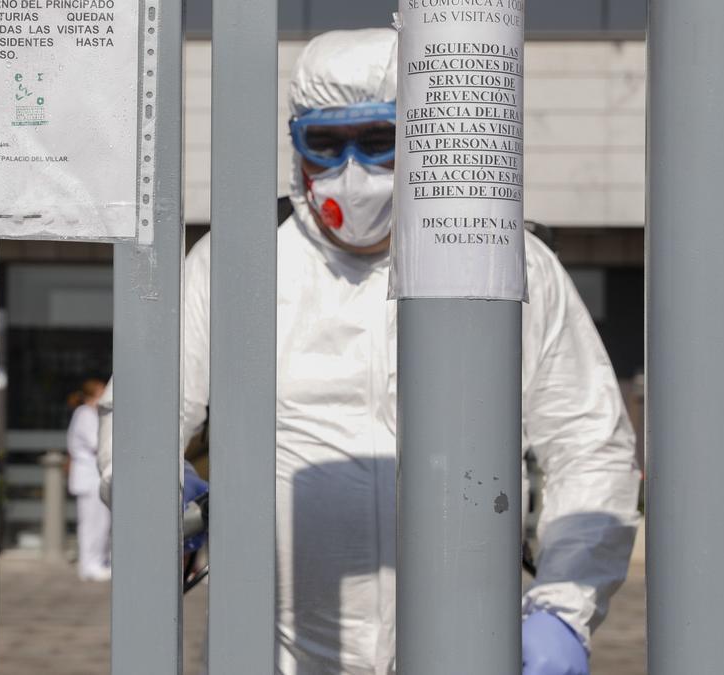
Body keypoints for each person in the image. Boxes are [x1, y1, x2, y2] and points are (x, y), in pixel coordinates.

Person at [101, 28, 641, 675]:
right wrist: (153, 485)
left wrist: (563, 607)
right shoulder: (236, 264)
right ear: (295, 143)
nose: (350, 174)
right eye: (326, 144)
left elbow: (588, 442)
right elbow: (139, 415)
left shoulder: (510, 263)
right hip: (279, 652)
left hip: (463, 647)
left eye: (379, 142)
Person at [66, 378, 111, 582]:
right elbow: (96, 442)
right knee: (90, 523)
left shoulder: (93, 414)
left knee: (102, 522)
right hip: (88, 477)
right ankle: (89, 564)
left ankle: (99, 561)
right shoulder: (84, 414)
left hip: (96, 477)